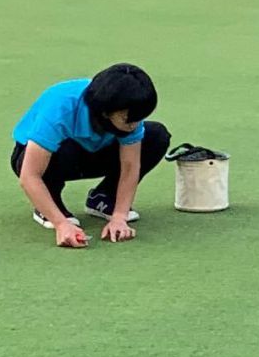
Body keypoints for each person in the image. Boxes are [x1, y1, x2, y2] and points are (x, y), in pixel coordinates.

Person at [10, 64, 168, 248]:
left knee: (156, 136)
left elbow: (130, 166)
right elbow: (29, 176)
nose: (134, 125)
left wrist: (119, 217)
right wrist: (62, 225)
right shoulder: (61, 107)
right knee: (61, 150)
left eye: (138, 118)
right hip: (36, 159)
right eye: (128, 119)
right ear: (106, 112)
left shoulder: (129, 114)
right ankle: (49, 206)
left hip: (91, 152)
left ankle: (105, 198)